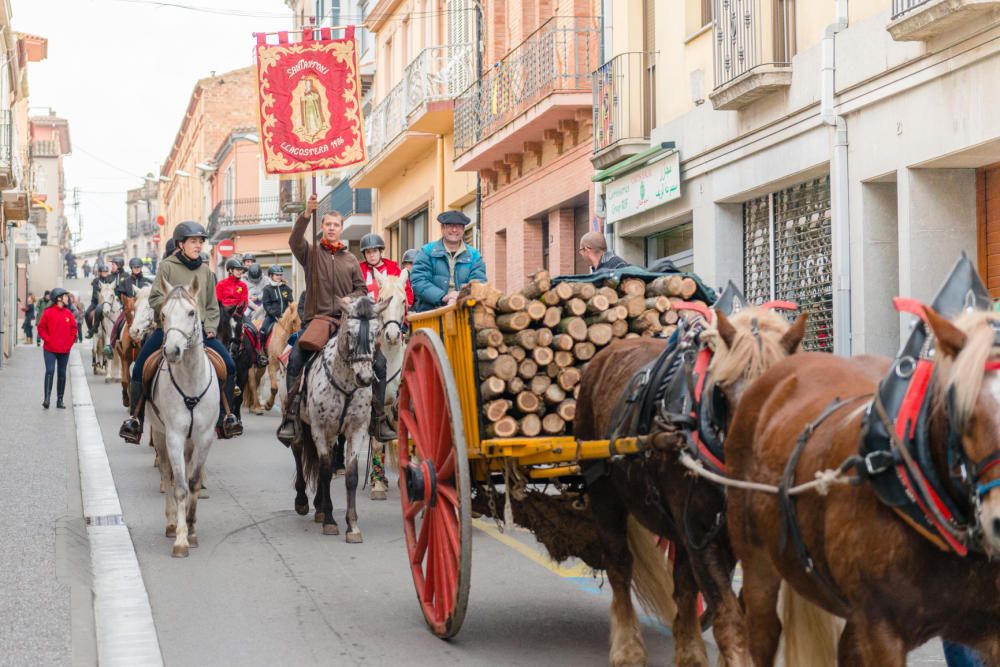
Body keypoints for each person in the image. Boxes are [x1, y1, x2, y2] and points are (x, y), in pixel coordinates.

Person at [119, 221, 243, 444]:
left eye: (200, 242)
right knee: (139, 368)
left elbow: (213, 306)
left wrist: (212, 328)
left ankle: (226, 417)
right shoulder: (166, 266)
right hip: (169, 329)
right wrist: (172, 308)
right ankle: (135, 420)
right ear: (181, 244)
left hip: (200, 332)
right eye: (194, 241)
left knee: (229, 366)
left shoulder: (206, 272)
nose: (198, 246)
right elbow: (155, 297)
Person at [277, 196, 367, 445]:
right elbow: (294, 241)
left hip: (345, 323)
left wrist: (347, 300)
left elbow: (363, 290)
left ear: (341, 229)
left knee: (375, 361)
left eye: (335, 225)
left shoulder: (351, 260)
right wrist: (306, 214)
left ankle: (379, 416)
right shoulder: (311, 254)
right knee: (295, 358)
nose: (331, 228)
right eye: (327, 224)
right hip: (316, 321)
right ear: (322, 227)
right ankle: (291, 414)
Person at [410, 210, 486, 312]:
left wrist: (458, 296)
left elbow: (479, 282)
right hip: (431, 312)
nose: (454, 229)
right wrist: (444, 297)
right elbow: (419, 281)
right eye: (450, 225)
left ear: (463, 229)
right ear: (442, 228)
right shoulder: (427, 252)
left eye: (458, 226)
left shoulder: (474, 255)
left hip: (465, 309)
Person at [37, 287, 77, 409]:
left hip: (64, 350)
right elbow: (41, 328)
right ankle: (47, 399)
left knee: (62, 373)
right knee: (50, 371)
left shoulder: (69, 314)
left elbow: (74, 329)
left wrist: (69, 344)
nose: (67, 298)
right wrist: (48, 339)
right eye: (65, 296)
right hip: (50, 349)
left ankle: (60, 400)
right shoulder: (48, 312)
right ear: (59, 298)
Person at [260, 264, 293, 341]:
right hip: (272, 316)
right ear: (271, 275)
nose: (279, 276)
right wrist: (272, 312)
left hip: (285, 317)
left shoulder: (286, 288)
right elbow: (266, 304)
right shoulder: (267, 289)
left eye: (280, 275)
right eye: (276, 275)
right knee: (262, 330)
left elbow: (291, 302)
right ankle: (261, 348)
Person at [84, 264, 114, 338]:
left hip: (108, 302)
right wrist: (101, 299)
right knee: (87, 313)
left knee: (100, 309)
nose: (105, 273)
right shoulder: (96, 281)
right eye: (103, 272)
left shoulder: (111, 280)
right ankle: (91, 330)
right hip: (96, 302)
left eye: (106, 272)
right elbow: (95, 294)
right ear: (100, 273)